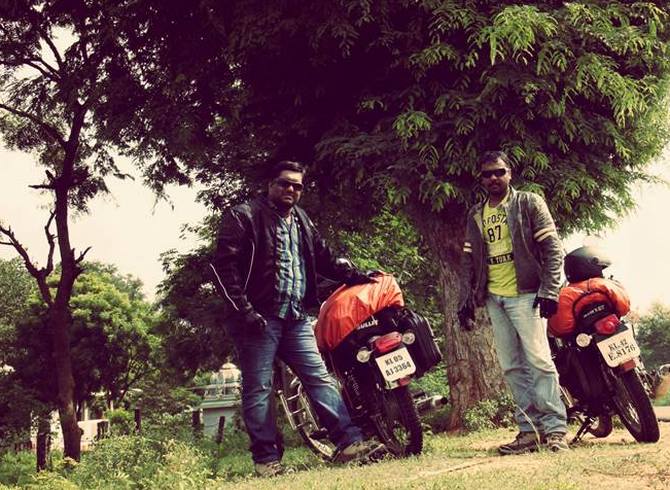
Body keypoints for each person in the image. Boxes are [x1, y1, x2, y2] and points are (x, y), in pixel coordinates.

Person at [210, 160, 379, 477]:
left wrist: (356, 275)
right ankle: (266, 461)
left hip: (296, 317)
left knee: (319, 378)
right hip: (257, 319)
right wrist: (244, 310)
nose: (290, 190)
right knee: (259, 389)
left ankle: (349, 444)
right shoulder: (243, 215)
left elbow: (324, 257)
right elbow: (223, 268)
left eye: (297, 186)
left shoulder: (300, 219)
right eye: (284, 183)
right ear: (270, 184)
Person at [458, 150, 569, 454]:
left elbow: (552, 249)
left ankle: (556, 429)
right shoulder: (476, 214)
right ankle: (529, 431)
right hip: (494, 297)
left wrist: (549, 290)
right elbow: (469, 260)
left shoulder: (529, 203)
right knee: (511, 367)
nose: (493, 178)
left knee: (539, 361)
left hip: (527, 295)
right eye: (487, 174)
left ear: (510, 174)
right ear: (480, 179)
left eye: (499, 172)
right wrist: (465, 299)